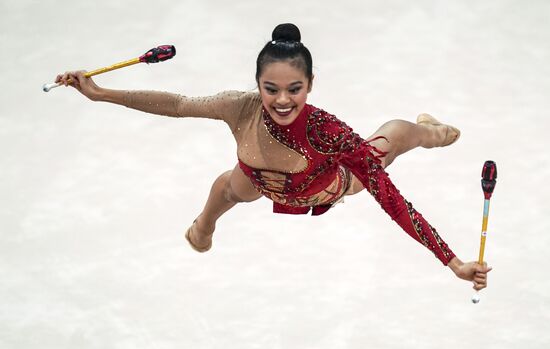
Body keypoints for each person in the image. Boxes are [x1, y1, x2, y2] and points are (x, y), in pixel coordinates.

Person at [56, 23, 491, 291]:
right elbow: (176, 103)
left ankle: (431, 129)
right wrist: (99, 94)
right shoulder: (238, 106)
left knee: (390, 141)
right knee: (231, 185)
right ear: (257, 83)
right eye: (272, 88)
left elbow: (393, 200)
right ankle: (203, 226)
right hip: (259, 176)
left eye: (294, 89)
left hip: (327, 182)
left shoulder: (326, 130)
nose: (282, 100)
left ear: (310, 84)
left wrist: (452, 261)